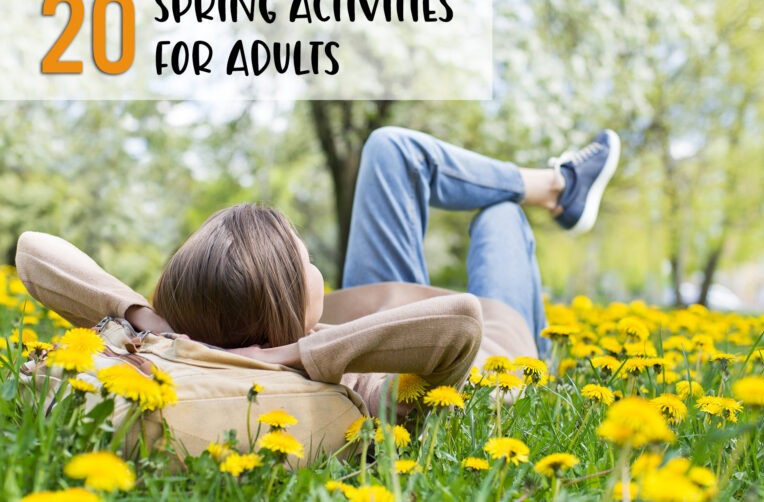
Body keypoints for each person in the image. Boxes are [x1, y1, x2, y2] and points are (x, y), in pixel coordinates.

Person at [16, 126, 620, 418]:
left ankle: (560, 185)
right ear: (281, 314)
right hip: (501, 334)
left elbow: (33, 249)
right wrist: (293, 356)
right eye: (304, 259)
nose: (313, 261)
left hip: (380, 306)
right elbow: (460, 320)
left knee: (389, 148)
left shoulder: (215, 335)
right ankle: (552, 189)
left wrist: (155, 325)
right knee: (497, 217)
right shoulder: (355, 390)